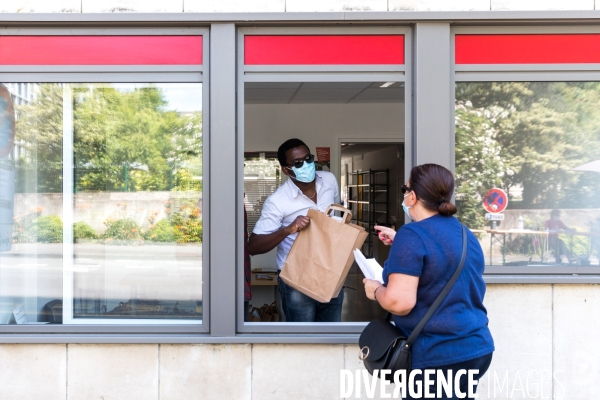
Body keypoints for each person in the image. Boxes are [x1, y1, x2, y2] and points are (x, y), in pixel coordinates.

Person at [364, 163, 494, 399]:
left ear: (412, 196)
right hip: (475, 348)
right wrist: (401, 244)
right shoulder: (466, 234)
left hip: (437, 355)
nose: (405, 194)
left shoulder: (412, 235)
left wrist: (375, 290)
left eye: (406, 189)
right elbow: (444, 264)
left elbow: (398, 302)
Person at [248, 138, 343, 322]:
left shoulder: (329, 180)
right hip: (297, 278)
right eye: (298, 163)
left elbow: (337, 208)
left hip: (331, 271)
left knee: (332, 335)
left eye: (308, 159)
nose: (306, 165)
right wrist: (288, 230)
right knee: (303, 339)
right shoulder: (278, 201)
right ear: (286, 169)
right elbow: (253, 246)